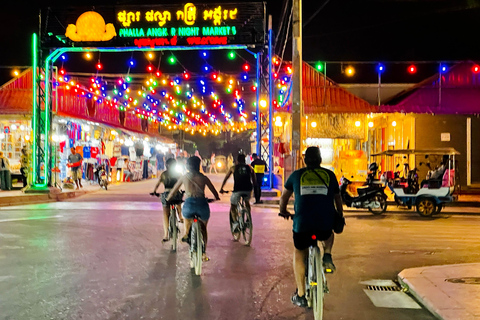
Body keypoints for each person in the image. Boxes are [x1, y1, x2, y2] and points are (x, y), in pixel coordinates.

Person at [279, 146, 344, 308]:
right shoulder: (329, 175)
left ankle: (301, 294)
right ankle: (327, 255)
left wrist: (283, 212)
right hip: (324, 224)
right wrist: (340, 215)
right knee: (328, 231)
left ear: (304, 160)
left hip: (303, 224)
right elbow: (338, 199)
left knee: (300, 252)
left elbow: (284, 198)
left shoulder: (297, 175)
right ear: (320, 159)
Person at [166, 156, 220, 261]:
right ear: (198, 166)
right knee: (203, 227)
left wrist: (168, 199)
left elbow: (174, 190)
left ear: (188, 166)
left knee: (187, 218)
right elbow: (214, 192)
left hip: (189, 204)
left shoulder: (184, 177)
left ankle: (186, 233)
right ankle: (203, 253)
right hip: (202, 204)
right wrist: (216, 197)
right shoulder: (204, 178)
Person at [219, 154, 256, 233]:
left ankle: (235, 223)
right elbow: (254, 179)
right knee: (247, 202)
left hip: (237, 189)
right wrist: (254, 187)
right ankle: (248, 219)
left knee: (233, 205)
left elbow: (226, 178)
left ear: (237, 161)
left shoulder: (233, 168)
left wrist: (221, 188)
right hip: (248, 189)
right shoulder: (249, 168)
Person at [152, 158, 184, 242]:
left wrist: (154, 192)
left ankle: (166, 234)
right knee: (179, 199)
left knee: (166, 214)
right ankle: (180, 216)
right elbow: (183, 184)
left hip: (166, 195)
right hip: (176, 194)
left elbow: (157, 185)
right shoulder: (179, 174)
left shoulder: (164, 174)